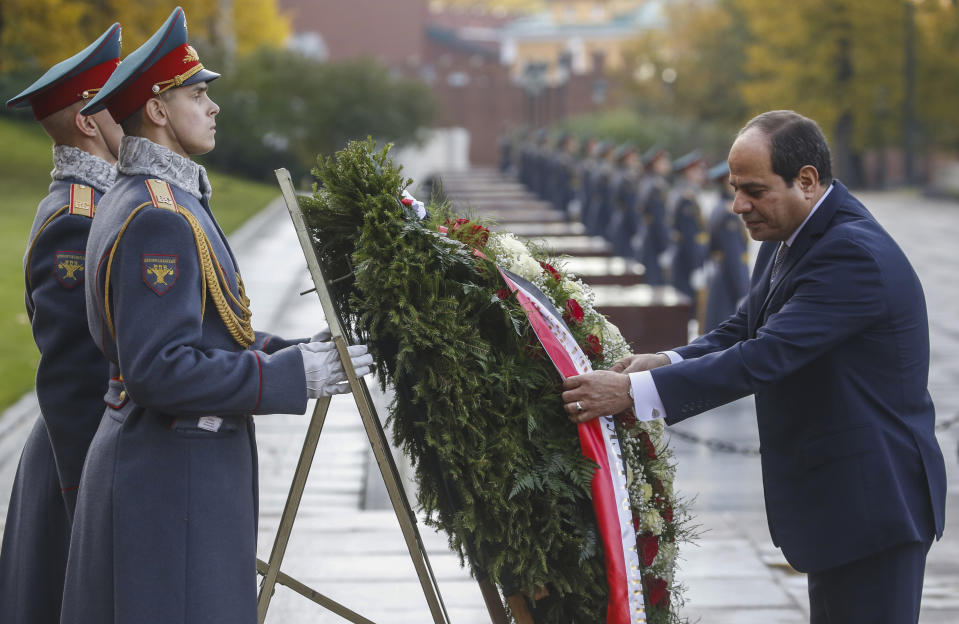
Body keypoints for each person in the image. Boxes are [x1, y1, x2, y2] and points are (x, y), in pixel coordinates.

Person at [561, 110, 946, 623]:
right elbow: (745, 327)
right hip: (840, 503)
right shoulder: (791, 233)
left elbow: (765, 356)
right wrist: (666, 359)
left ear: (806, 181)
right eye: (736, 188)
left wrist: (634, 393)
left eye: (754, 190)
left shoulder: (851, 253)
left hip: (874, 506)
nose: (738, 204)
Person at [59, 8, 373, 623]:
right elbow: (159, 369)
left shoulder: (160, 198)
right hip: (172, 477)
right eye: (198, 94)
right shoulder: (159, 216)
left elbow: (206, 326)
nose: (213, 107)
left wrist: (293, 352)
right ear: (156, 109)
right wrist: (290, 378)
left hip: (170, 468)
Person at [0, 24, 123, 624]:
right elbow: (76, 378)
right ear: (88, 123)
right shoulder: (81, 218)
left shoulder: (101, 204)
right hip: (73, 467)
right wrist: (90, 504)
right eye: (117, 103)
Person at [702, 161, 749, 332]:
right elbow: (733, 257)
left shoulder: (719, 208)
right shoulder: (728, 214)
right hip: (728, 282)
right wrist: (743, 291)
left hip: (720, 278)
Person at [666, 150, 708, 315]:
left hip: (686, 258)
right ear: (688, 173)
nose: (702, 174)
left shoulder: (691, 194)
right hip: (686, 261)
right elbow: (689, 236)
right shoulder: (686, 198)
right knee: (686, 311)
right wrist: (696, 265)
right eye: (698, 170)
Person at [635, 146, 671, 285]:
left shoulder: (649, 182)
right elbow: (659, 220)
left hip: (649, 238)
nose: (667, 164)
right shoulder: (656, 186)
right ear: (655, 164)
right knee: (655, 285)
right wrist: (665, 247)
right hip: (654, 242)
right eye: (663, 162)